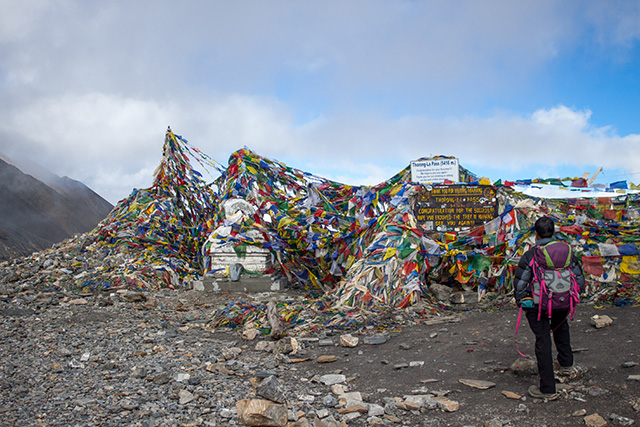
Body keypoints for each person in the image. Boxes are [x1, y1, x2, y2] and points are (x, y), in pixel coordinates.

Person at [514, 216, 585, 400]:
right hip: (563, 301)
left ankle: (547, 388)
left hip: (540, 305)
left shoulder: (532, 254)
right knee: (561, 329)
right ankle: (566, 365)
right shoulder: (568, 251)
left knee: (543, 339)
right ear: (554, 232)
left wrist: (522, 301)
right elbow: (579, 277)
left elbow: (521, 283)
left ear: (536, 234)